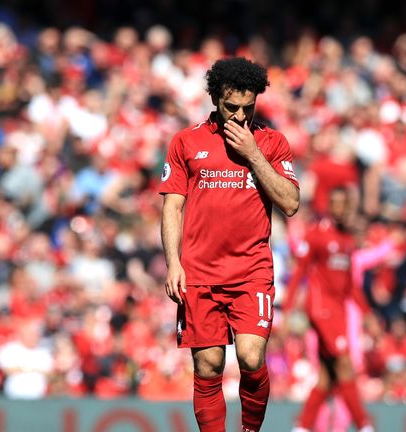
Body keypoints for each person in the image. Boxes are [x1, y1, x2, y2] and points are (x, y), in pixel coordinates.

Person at [160, 57, 300, 432]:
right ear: (215, 100)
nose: (239, 115)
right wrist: (173, 262)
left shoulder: (271, 142)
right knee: (208, 367)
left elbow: (290, 203)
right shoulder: (187, 142)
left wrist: (253, 154)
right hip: (200, 273)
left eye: (248, 108)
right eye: (231, 107)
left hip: (251, 271)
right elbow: (172, 205)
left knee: (252, 358)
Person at [282, 188, 374, 432]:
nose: (340, 210)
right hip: (321, 308)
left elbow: (349, 285)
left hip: (339, 310)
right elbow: (299, 272)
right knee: (345, 364)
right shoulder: (316, 235)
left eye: (344, 205)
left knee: (327, 375)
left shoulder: (348, 240)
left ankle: (302, 426)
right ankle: (365, 425)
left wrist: (367, 313)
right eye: (336, 204)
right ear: (329, 206)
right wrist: (287, 311)